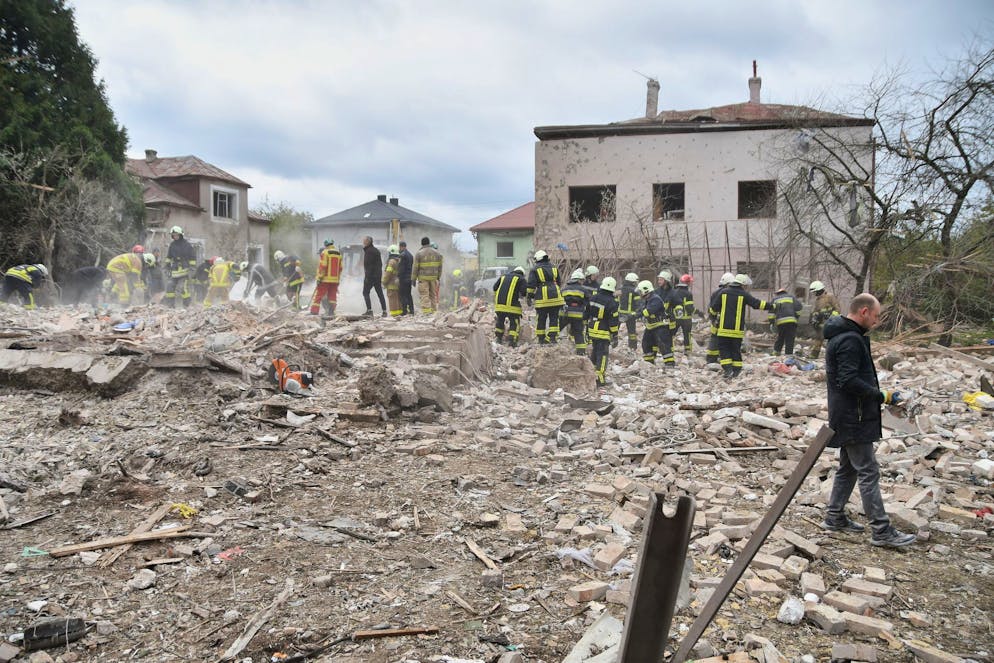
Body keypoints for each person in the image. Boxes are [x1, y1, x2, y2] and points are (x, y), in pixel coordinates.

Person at [823, 293, 916, 548]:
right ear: (863, 312)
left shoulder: (847, 336)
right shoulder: (850, 340)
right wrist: (882, 395)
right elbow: (848, 380)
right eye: (875, 316)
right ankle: (881, 530)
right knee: (868, 470)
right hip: (855, 416)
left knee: (849, 467)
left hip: (849, 414)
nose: (876, 322)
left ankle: (834, 516)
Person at [709, 273, 769, 378]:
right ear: (743, 285)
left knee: (724, 349)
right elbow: (757, 304)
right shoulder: (744, 294)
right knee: (735, 350)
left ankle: (728, 370)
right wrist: (772, 306)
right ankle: (736, 371)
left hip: (723, 329)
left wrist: (713, 318)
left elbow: (714, 308)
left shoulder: (723, 293)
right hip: (737, 331)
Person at [586, 276, 620, 387]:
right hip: (603, 331)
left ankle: (590, 375)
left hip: (592, 329)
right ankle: (599, 379)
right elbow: (613, 322)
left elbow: (586, 314)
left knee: (595, 353)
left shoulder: (593, 298)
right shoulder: (612, 302)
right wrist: (615, 335)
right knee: (603, 355)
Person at [526, 250, 564, 344]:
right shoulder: (554, 267)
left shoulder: (535, 269)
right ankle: (552, 338)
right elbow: (559, 282)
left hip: (543, 299)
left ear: (537, 259)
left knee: (541, 318)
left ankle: (541, 339)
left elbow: (531, 285)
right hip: (556, 298)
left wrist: (529, 296)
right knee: (554, 318)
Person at [654, 270, 682, 368]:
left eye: (661, 279)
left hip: (669, 322)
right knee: (654, 340)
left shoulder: (673, 293)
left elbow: (679, 304)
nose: (659, 281)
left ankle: (670, 362)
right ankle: (650, 360)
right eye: (658, 279)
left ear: (666, 281)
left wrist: (678, 312)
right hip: (657, 321)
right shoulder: (656, 292)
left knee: (667, 341)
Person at [706, 272, 735, 365]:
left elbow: (711, 307)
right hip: (725, 320)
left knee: (714, 338)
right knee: (725, 340)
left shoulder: (715, 293)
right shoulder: (728, 293)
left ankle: (711, 359)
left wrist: (713, 318)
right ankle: (724, 358)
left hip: (716, 320)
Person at [493, 266, 527, 346]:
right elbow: (524, 292)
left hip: (499, 305)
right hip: (512, 307)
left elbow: (495, 288)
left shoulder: (503, 276)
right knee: (514, 322)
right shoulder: (521, 279)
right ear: (522, 273)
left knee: (500, 320)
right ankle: (512, 342)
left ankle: (498, 339)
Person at [808, 280, 842, 359]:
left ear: (819, 290)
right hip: (821, 323)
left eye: (815, 291)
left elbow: (838, 309)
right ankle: (814, 355)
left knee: (832, 340)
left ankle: (835, 356)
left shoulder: (830, 296)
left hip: (831, 323)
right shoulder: (817, 300)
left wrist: (830, 316)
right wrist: (815, 318)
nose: (814, 294)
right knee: (818, 338)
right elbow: (815, 311)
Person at [164, 226, 196, 307]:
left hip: (184, 271)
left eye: (176, 235)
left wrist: (192, 268)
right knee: (169, 287)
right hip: (174, 271)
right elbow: (169, 257)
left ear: (181, 235)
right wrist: (167, 266)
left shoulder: (187, 245)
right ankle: (170, 306)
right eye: (173, 235)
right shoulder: (172, 245)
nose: (175, 236)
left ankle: (186, 306)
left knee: (183, 288)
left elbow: (192, 257)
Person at [310, 239, 343, 315]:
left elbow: (323, 266)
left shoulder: (325, 252)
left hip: (325, 279)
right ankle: (331, 312)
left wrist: (319, 277)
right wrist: (337, 279)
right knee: (332, 296)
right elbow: (341, 268)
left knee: (319, 295)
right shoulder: (338, 254)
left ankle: (314, 311)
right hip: (335, 280)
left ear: (325, 245)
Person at [561, 269, 589, 355]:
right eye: (582, 280)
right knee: (578, 333)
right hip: (578, 315)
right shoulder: (583, 290)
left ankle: (549, 343)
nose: (582, 282)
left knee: (557, 328)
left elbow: (560, 301)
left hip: (565, 314)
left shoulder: (564, 289)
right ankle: (581, 352)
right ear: (578, 280)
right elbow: (587, 303)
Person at [411, 236, 443, 314]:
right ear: (429, 243)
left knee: (424, 295)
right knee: (433, 295)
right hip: (433, 278)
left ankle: (426, 313)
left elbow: (415, 267)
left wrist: (413, 279)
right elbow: (440, 267)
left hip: (423, 278)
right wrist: (438, 277)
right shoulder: (437, 253)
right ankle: (434, 311)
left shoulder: (419, 253)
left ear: (422, 244)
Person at [769, 286, 803, 356]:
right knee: (790, 338)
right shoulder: (791, 297)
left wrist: (771, 322)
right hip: (791, 321)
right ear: (785, 292)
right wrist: (796, 316)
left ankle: (776, 352)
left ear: (778, 293)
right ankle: (788, 354)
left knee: (780, 337)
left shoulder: (775, 299)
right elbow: (799, 307)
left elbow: (771, 311)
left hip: (781, 322)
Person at [637, 280, 665, 364]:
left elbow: (648, 311)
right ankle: (649, 362)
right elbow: (641, 309)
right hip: (650, 325)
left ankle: (669, 363)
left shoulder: (655, 299)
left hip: (659, 325)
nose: (640, 293)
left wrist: (637, 315)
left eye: (640, 291)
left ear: (646, 290)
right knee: (646, 343)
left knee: (662, 344)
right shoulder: (647, 299)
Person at [361, 236, 387, 317]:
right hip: (377, 276)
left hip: (371, 276)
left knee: (365, 292)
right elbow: (380, 264)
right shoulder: (376, 251)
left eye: (364, 241)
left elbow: (369, 266)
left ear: (368, 242)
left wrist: (367, 277)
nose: (363, 242)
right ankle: (384, 311)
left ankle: (369, 311)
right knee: (380, 293)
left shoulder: (369, 251)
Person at [618, 273, 640, 350]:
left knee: (614, 329)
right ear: (633, 282)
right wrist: (638, 313)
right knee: (632, 332)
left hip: (619, 313)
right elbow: (638, 303)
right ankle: (633, 347)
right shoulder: (635, 291)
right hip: (630, 314)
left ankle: (611, 344)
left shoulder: (620, 289)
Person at [674, 274, 695, 354]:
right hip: (686, 318)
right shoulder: (688, 294)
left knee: (672, 333)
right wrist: (698, 312)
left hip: (675, 318)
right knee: (687, 335)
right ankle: (687, 351)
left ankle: (669, 349)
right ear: (687, 283)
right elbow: (689, 308)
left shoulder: (674, 292)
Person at [381, 245, 403, 317]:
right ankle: (399, 313)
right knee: (398, 299)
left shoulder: (391, 261)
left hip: (391, 284)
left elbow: (388, 273)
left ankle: (394, 315)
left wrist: (384, 282)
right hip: (398, 284)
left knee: (392, 299)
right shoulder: (399, 260)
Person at [398, 240, 415, 315]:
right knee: (408, 294)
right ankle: (412, 310)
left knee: (402, 294)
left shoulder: (402, 255)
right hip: (409, 278)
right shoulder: (410, 255)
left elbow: (401, 268)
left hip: (404, 278)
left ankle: (404, 311)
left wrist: (398, 276)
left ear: (401, 247)